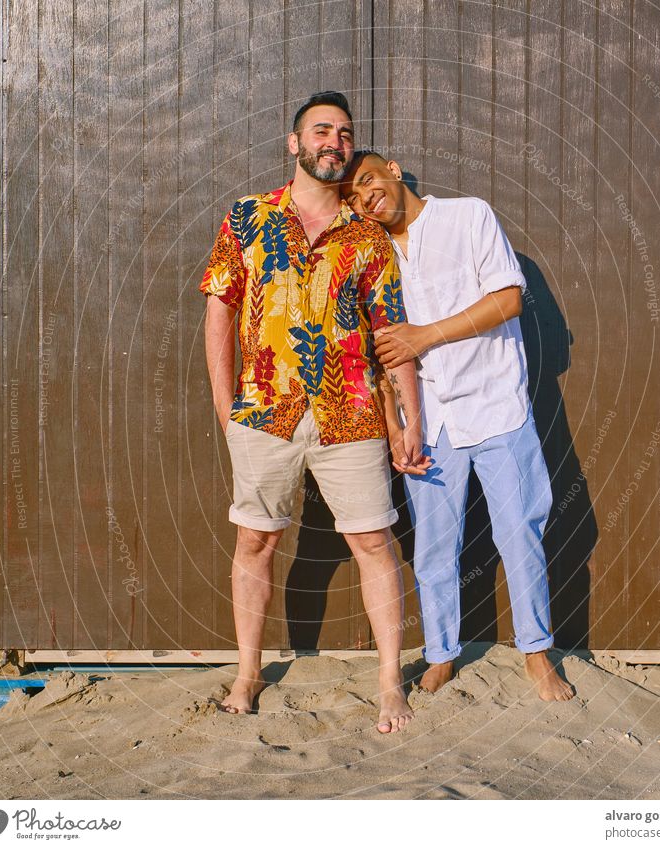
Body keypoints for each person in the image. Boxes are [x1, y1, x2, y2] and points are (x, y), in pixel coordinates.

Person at [199, 94, 429, 732]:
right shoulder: (247, 218)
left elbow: (392, 331)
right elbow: (219, 311)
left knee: (373, 543)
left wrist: (409, 416)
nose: (335, 141)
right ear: (294, 143)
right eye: (321, 130)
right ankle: (247, 672)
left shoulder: (369, 237)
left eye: (345, 133)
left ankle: (389, 683)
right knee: (256, 539)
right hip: (263, 413)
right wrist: (228, 410)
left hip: (351, 414)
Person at [341, 151, 575, 701]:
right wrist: (397, 425)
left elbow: (509, 299)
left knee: (521, 532)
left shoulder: (469, 216)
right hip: (433, 422)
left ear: (393, 170)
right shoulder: (374, 258)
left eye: (369, 180)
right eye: (353, 196)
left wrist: (427, 335)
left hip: (497, 407)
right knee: (433, 548)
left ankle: (537, 654)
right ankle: (443, 652)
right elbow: (382, 357)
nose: (365, 196)